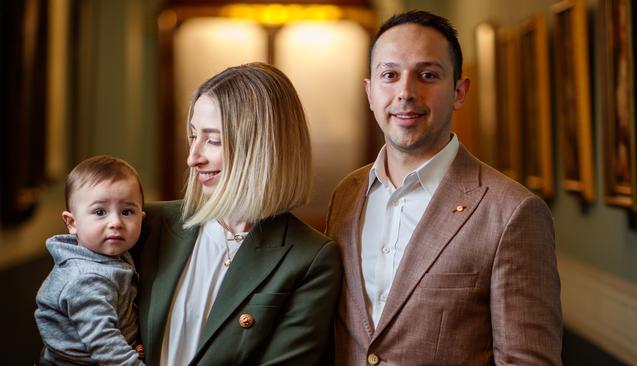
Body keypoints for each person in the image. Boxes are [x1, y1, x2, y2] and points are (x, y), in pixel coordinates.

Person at [326, 10, 562, 365]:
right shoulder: (346, 194)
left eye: (427, 75)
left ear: (459, 91)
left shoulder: (512, 212)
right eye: (389, 75)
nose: (405, 92)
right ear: (370, 92)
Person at [131, 62, 342, 365]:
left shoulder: (310, 259)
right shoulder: (145, 224)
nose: (193, 157)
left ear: (262, 148)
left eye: (213, 140)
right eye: (193, 135)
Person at [35, 155, 146, 365]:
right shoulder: (85, 279)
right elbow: (105, 344)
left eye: (127, 211)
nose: (115, 222)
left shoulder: (110, 255)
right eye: (99, 212)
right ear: (72, 222)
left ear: (142, 217)